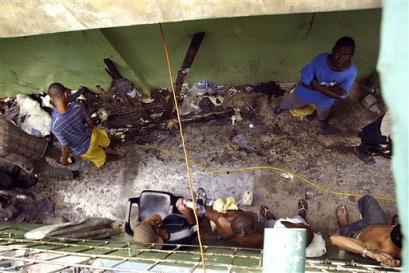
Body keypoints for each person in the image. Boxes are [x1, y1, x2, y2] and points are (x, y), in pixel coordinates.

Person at [273, 36, 357, 133]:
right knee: (290, 101)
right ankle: (280, 108)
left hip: (324, 100)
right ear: (333, 50)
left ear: (351, 55)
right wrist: (331, 89)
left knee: (323, 113)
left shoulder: (351, 72)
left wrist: (317, 86)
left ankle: (323, 122)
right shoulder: (320, 60)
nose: (340, 58)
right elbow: (305, 82)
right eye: (338, 53)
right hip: (306, 93)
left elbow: (341, 95)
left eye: (346, 55)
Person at [48, 83, 112, 168]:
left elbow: (65, 147)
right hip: (93, 134)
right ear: (66, 94)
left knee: (101, 157)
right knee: (106, 141)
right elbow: (89, 122)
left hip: (84, 148)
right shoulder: (77, 106)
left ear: (52, 99)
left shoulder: (55, 126)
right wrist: (91, 130)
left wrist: (64, 160)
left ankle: (116, 157)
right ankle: (110, 144)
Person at [330, 195, 401, 267]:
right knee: (367, 199)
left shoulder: (381, 250)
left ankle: (344, 226)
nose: (387, 235)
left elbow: (334, 239)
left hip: (356, 234)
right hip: (377, 223)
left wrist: (370, 253)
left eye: (389, 239)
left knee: (345, 231)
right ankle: (362, 219)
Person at [0, 117, 77, 181]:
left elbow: (18, 159)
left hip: (31, 158)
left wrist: (29, 168)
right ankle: (69, 159)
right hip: (34, 142)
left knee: (46, 169)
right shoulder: (2, 122)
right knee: (52, 152)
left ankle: (71, 174)